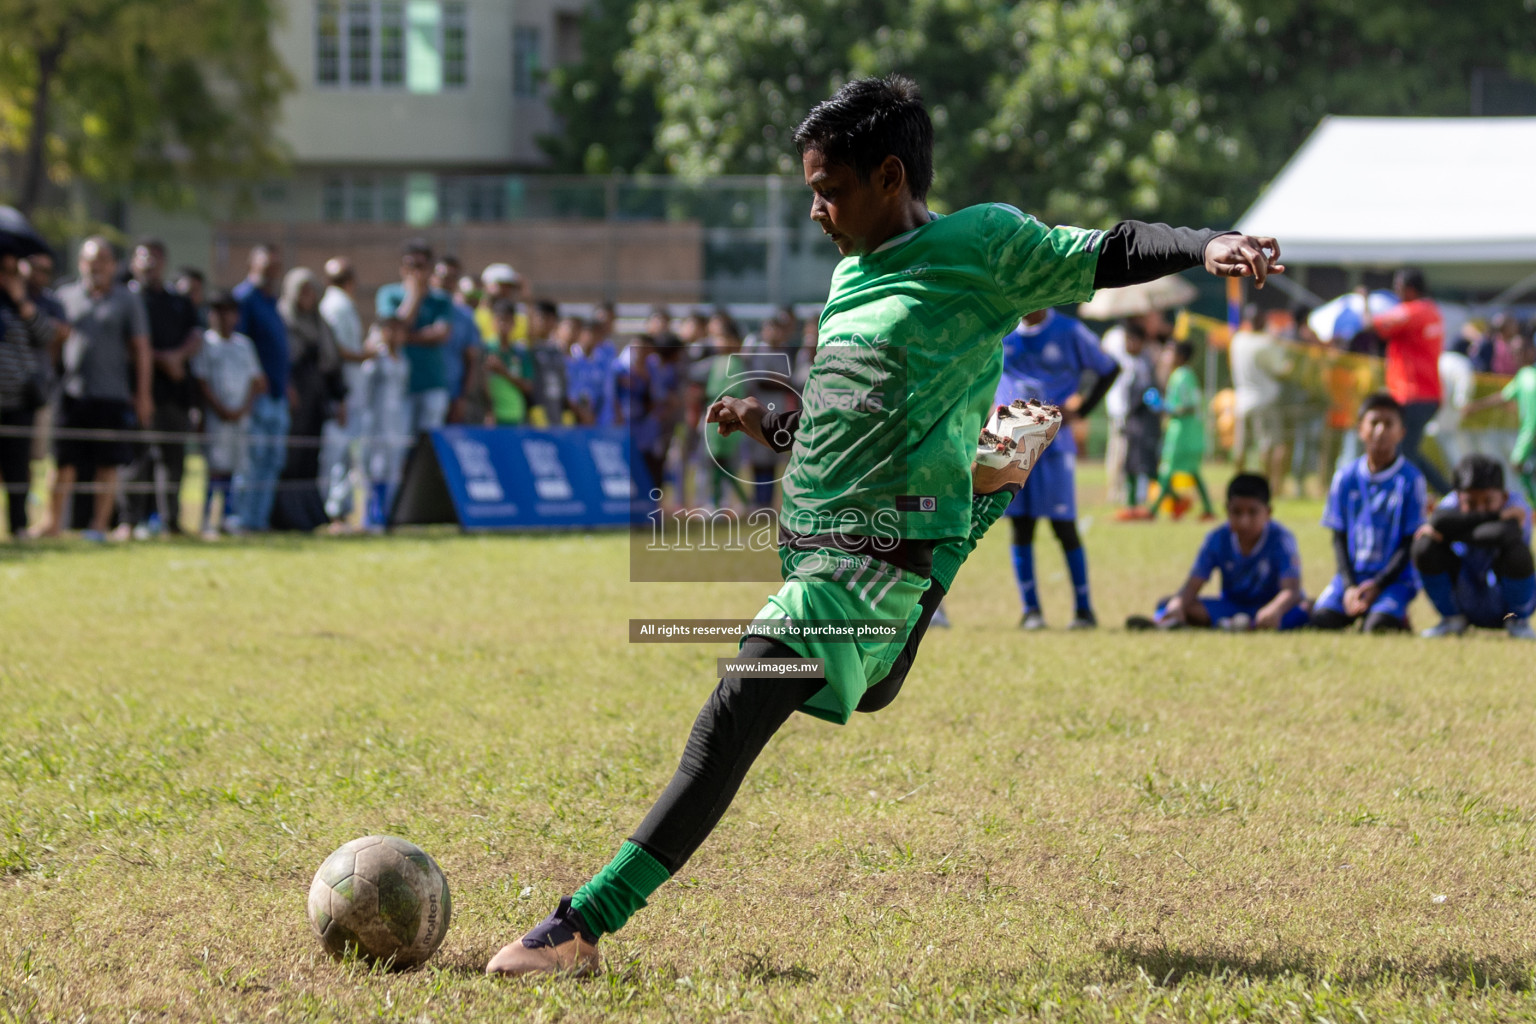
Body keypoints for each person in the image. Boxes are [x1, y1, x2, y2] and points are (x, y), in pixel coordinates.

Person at [484, 74, 1286, 978]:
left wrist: (1207, 243)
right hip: (829, 552)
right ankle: (977, 500)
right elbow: (847, 421)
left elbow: (1112, 245)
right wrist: (775, 426)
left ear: (890, 177)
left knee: (737, 705)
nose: (817, 210)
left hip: (864, 570)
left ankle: (581, 927)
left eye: (829, 190)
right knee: (867, 684)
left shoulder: (982, 244)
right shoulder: (849, 275)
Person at [994, 307, 1119, 629]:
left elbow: (1109, 368)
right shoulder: (1001, 329)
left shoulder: (1069, 331)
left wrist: (1083, 410)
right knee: (1021, 525)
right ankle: (1030, 611)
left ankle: (1084, 610)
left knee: (1063, 526)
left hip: (1054, 446)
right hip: (1011, 443)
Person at [49, 237, 152, 540]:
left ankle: (98, 525)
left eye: (103, 260)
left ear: (114, 265)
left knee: (107, 463)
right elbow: (53, 343)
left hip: (111, 394)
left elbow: (141, 349)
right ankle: (52, 524)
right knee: (63, 461)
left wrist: (143, 394)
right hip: (71, 393)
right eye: (91, 260)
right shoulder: (65, 296)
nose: (97, 266)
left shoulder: (127, 300)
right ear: (81, 263)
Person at [1126, 473, 1308, 631]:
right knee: (1171, 603)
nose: (1244, 521)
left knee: (1306, 609)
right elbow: (1193, 585)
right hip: (1230, 606)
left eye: (1253, 512)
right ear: (1226, 510)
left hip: (1270, 606)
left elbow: (1291, 591)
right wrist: (1177, 604)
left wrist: (1274, 609)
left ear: (1268, 512)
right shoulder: (1217, 538)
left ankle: (1240, 624)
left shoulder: (1282, 539)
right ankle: (1164, 622)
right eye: (1237, 512)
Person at [1309, 393, 1426, 633]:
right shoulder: (1345, 477)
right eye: (1374, 423)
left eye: (1388, 423)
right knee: (1321, 621)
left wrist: (1379, 584)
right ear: (1360, 429)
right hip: (1352, 576)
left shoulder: (1411, 480)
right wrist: (1351, 585)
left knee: (1377, 627)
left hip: (1394, 580)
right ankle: (1351, 602)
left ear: (1401, 432)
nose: (1380, 430)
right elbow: (1338, 537)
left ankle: (1393, 614)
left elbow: (1409, 542)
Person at [125, 238, 201, 537]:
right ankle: (130, 521)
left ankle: (170, 521)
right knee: (138, 459)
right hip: (138, 391)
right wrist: (159, 359)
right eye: (144, 256)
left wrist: (177, 357)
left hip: (175, 393)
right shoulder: (127, 298)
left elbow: (196, 334)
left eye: (156, 256)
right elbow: (128, 343)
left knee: (173, 461)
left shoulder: (178, 300)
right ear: (133, 262)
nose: (150, 262)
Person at [1412, 453, 1535, 640]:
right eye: (1470, 502)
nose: (1480, 508)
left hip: (1502, 600)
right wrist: (1497, 517)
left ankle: (1518, 622)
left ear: (1504, 496)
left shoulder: (1518, 506)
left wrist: (1449, 532)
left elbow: (1503, 534)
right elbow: (1439, 520)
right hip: (1465, 592)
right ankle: (1452, 619)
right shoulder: (1450, 504)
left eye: (1488, 502)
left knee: (1517, 551)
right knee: (1424, 547)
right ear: (1457, 497)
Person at [273, 267, 345, 532]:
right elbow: (281, 359)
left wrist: (340, 399)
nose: (307, 295)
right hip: (293, 395)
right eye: (302, 289)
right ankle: (285, 515)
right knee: (290, 457)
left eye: (311, 289)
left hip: (316, 397)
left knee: (311, 457)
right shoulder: (282, 318)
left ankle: (309, 514)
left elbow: (332, 365)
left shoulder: (320, 323)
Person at [1368, 269, 1450, 494]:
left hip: (1412, 394)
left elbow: (1375, 326)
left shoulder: (1412, 311)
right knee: (1407, 449)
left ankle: (1426, 494)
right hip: (1429, 393)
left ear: (1410, 289)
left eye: (1399, 286)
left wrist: (1364, 303)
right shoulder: (1433, 311)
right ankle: (1446, 492)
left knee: (1404, 451)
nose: (1396, 291)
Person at [190, 291, 265, 536]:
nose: (223, 318)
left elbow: (257, 381)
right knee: (214, 469)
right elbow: (201, 381)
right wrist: (220, 409)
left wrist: (243, 408)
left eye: (229, 312)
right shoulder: (206, 344)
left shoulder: (244, 345)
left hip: (240, 418)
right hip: (216, 418)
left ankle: (228, 518)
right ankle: (205, 520)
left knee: (235, 469)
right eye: (217, 312)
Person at [232, 244, 291, 532]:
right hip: (254, 396)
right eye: (266, 266)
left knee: (272, 461)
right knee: (251, 462)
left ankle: (258, 521)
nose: (271, 272)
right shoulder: (244, 299)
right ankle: (242, 520)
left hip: (277, 395)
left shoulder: (272, 302)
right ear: (252, 264)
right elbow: (238, 346)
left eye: (275, 267)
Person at [0, 251, 57, 539]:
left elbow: (46, 335)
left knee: (18, 467)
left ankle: (19, 525)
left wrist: (21, 300)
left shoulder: (26, 304)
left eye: (12, 272)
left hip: (20, 400)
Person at [375, 239, 453, 436]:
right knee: (398, 442)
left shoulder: (441, 299)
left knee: (428, 443)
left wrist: (406, 336)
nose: (415, 271)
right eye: (410, 265)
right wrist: (414, 296)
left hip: (432, 382)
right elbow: (394, 331)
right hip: (398, 386)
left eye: (420, 266)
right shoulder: (388, 294)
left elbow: (441, 334)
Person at [1134, 341, 1213, 520]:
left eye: (1170, 353)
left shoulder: (1180, 376)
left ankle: (1153, 511)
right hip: (1189, 431)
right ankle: (1206, 508)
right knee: (1192, 471)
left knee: (1167, 470)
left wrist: (1164, 407)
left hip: (1182, 433)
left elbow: (1188, 406)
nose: (1166, 357)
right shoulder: (1186, 374)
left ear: (1181, 357)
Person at [318, 257, 369, 524]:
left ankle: (342, 509)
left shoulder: (339, 304)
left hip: (350, 391)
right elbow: (337, 353)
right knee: (338, 453)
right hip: (342, 392)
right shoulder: (337, 306)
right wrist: (366, 354)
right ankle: (334, 511)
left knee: (348, 454)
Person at [1228, 304, 1292, 496]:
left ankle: (1237, 486)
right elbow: (1281, 369)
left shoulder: (1238, 340)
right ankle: (1267, 489)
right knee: (1269, 446)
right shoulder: (1265, 343)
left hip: (1242, 402)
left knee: (1240, 450)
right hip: (1265, 400)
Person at [1464, 339, 1536, 507]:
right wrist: (1475, 407)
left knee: (1518, 465)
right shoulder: (1524, 376)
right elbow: (1503, 397)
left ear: (1531, 352)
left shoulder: (1527, 378)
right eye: (1514, 353)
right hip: (1530, 435)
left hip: (1530, 435)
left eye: (1520, 352)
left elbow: (1532, 419)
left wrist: (1525, 442)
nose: (1517, 357)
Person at [360, 316, 410, 529]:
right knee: (376, 468)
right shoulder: (376, 359)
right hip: (377, 421)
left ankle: (388, 512)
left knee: (393, 469)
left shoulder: (403, 359)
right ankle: (371, 514)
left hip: (397, 420)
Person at [431, 256, 484, 426]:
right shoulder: (422, 309)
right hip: (422, 390)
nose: (447, 282)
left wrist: (463, 398)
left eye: (453, 278)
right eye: (443, 277)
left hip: (453, 394)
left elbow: (471, 360)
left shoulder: (465, 316)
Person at [483, 300, 533, 427]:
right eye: (500, 320)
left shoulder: (520, 353)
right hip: (493, 416)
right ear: (493, 322)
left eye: (508, 320)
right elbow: (482, 384)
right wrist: (488, 411)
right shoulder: (485, 349)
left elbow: (528, 386)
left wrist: (503, 371)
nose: (503, 325)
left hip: (515, 414)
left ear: (514, 323)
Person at [526, 300, 568, 428]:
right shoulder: (528, 349)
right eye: (542, 318)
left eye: (550, 319)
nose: (545, 323)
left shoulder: (558, 351)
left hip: (556, 415)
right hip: (534, 417)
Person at [476, 263, 527, 344]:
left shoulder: (519, 317)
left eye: (508, 286)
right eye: (500, 286)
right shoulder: (477, 316)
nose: (504, 291)